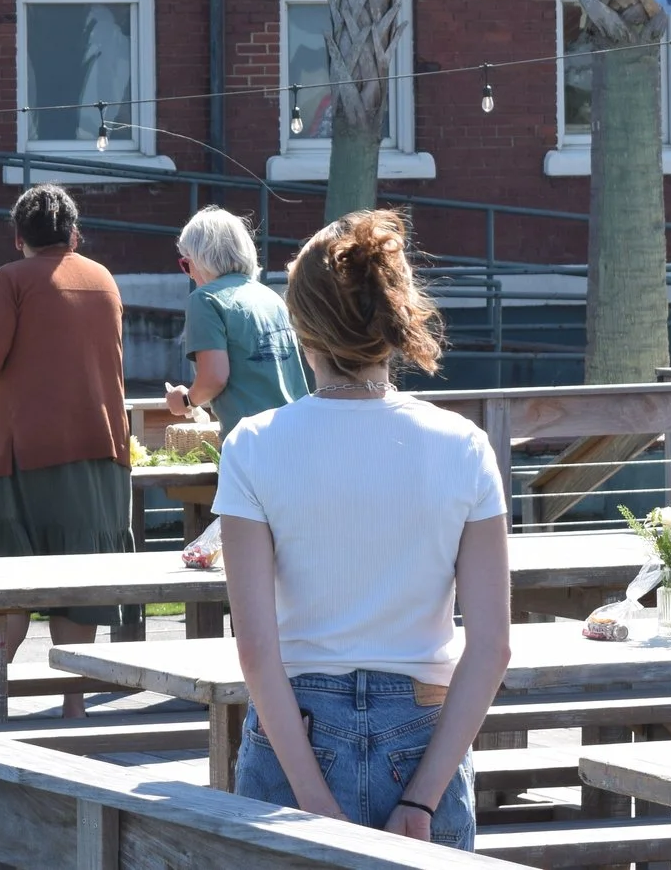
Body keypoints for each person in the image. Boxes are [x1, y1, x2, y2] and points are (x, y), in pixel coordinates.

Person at [214, 210, 508, 849]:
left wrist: (313, 803)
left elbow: (256, 651)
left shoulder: (252, 446)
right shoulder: (464, 445)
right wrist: (420, 800)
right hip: (425, 739)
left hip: (295, 734)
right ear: (395, 316)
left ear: (300, 325)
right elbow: (490, 648)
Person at [0, 184, 134, 715]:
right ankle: (74, 703)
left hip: (26, 453)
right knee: (78, 580)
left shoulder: (10, 280)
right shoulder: (104, 280)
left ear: (18, 237)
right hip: (101, 449)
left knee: (12, 577)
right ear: (74, 234)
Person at [165, 207, 309, 438]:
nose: (189, 273)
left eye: (186, 264)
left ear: (200, 259)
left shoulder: (205, 299)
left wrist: (186, 400)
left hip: (251, 439)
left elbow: (214, 378)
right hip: (298, 431)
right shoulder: (272, 297)